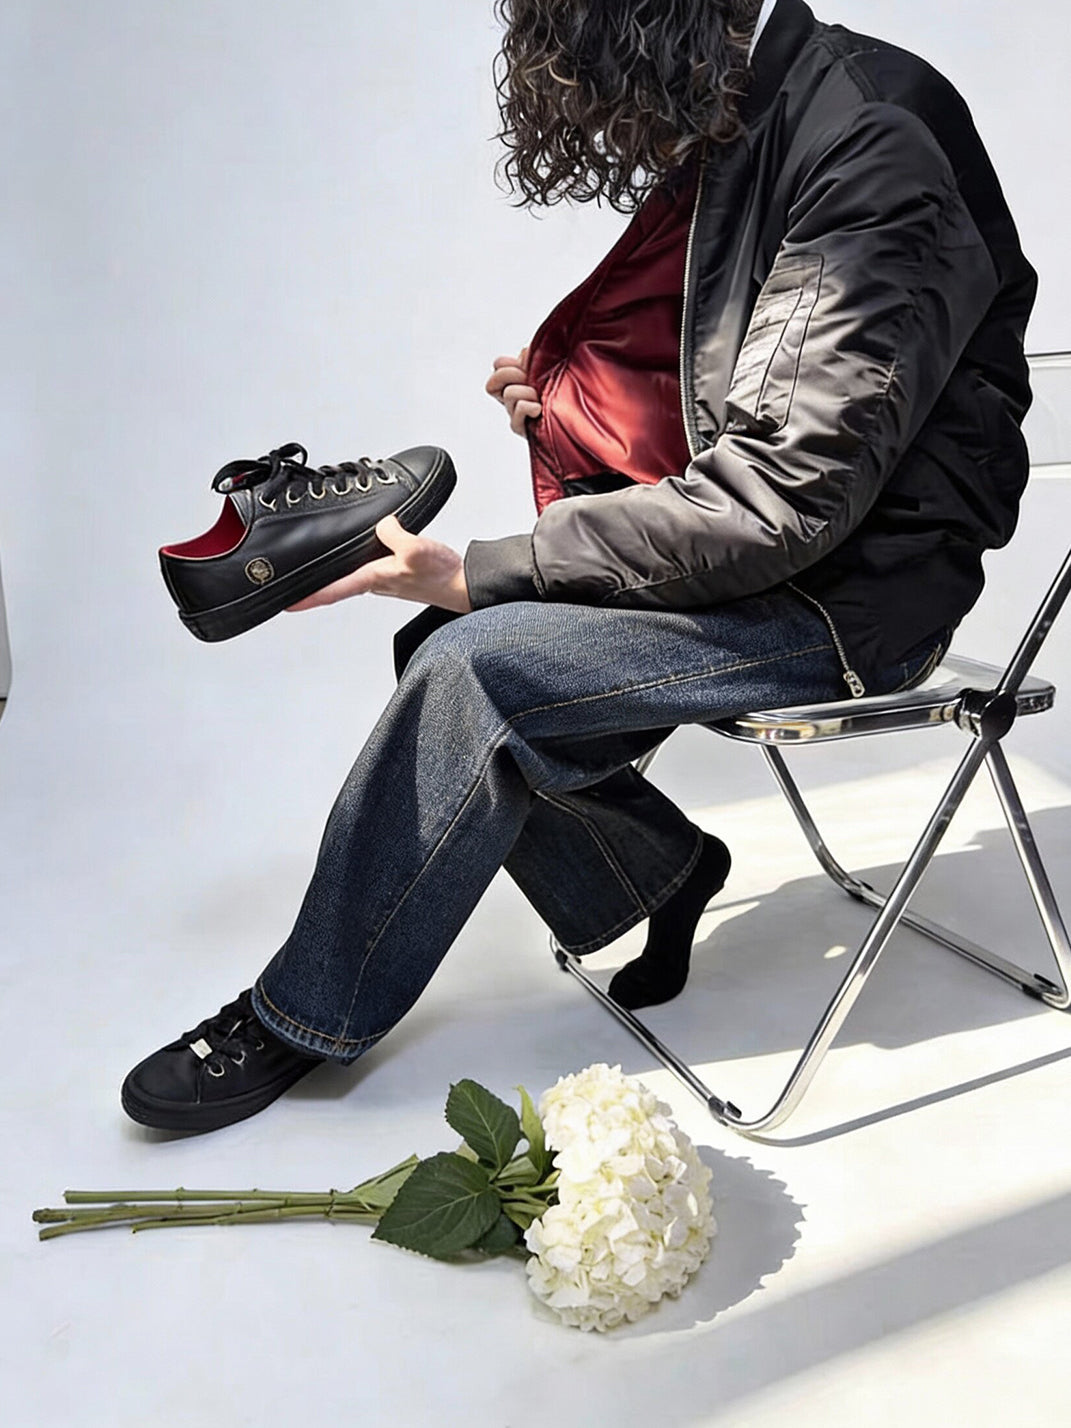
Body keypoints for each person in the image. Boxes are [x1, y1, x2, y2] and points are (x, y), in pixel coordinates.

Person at [121, 0, 1037, 1133]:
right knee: (439, 642)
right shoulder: (767, 108)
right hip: (801, 556)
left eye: (579, 61)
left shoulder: (866, 136)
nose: (586, 104)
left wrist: (488, 569)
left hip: (853, 600)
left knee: (473, 669)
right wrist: (574, 414)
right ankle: (662, 873)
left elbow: (783, 500)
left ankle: (301, 1016)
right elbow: (760, 409)